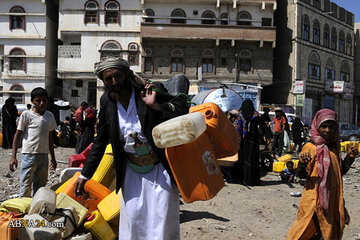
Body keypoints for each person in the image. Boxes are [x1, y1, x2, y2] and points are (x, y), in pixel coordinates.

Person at [73, 57, 188, 240]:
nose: (114, 82)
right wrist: (85, 174)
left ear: (127, 75)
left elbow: (182, 107)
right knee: (134, 219)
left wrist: (156, 105)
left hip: (160, 168)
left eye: (117, 76)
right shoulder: (107, 102)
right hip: (132, 170)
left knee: (161, 219)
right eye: (108, 79)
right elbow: (100, 141)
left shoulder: (149, 91)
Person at [287, 109, 358, 240]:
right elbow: (301, 175)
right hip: (313, 200)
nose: (327, 130)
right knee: (304, 230)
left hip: (331, 200)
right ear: (316, 126)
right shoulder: (310, 147)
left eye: (331, 127)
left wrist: (350, 157)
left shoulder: (334, 147)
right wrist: (302, 163)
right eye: (324, 126)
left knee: (327, 232)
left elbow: (339, 172)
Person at [9, 87, 57, 197]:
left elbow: (50, 138)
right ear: (32, 101)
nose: (42, 103)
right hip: (28, 155)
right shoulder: (26, 115)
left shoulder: (49, 116)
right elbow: (18, 135)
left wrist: (53, 158)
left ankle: (35, 211)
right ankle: (23, 211)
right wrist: (13, 156)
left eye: (44, 100)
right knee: (25, 186)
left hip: (43, 156)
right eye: (38, 100)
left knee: (40, 188)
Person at [232, 99, 266, 186]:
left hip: (243, 141)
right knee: (253, 160)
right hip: (253, 141)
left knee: (243, 159)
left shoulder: (240, 115)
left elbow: (237, 129)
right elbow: (263, 127)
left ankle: (244, 179)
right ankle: (253, 180)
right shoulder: (256, 115)